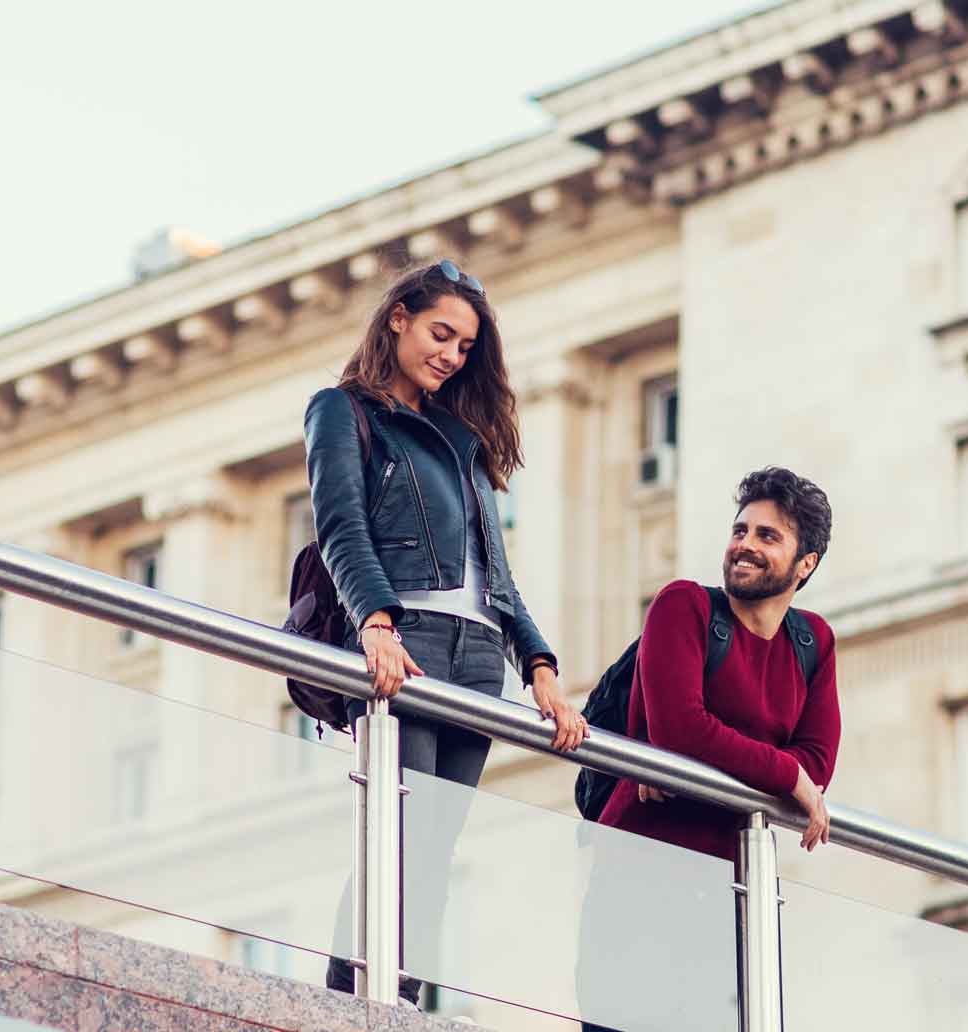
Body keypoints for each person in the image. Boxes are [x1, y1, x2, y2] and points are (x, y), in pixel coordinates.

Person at [303, 259, 586, 1003]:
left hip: (478, 659)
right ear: (397, 317)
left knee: (436, 852)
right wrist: (375, 621)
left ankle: (401, 1006)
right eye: (440, 333)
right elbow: (342, 527)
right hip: (410, 643)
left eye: (464, 346)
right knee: (394, 836)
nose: (451, 355)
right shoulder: (343, 411)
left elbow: (498, 573)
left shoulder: (463, 446)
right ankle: (345, 1007)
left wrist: (543, 670)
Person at [578, 466, 841, 1031]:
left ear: (805, 564)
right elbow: (680, 730)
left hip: (735, 887)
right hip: (640, 875)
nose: (744, 545)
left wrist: (786, 773)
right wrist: (784, 774)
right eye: (740, 530)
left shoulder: (812, 641)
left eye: (767, 536)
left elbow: (818, 764)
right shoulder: (684, 607)